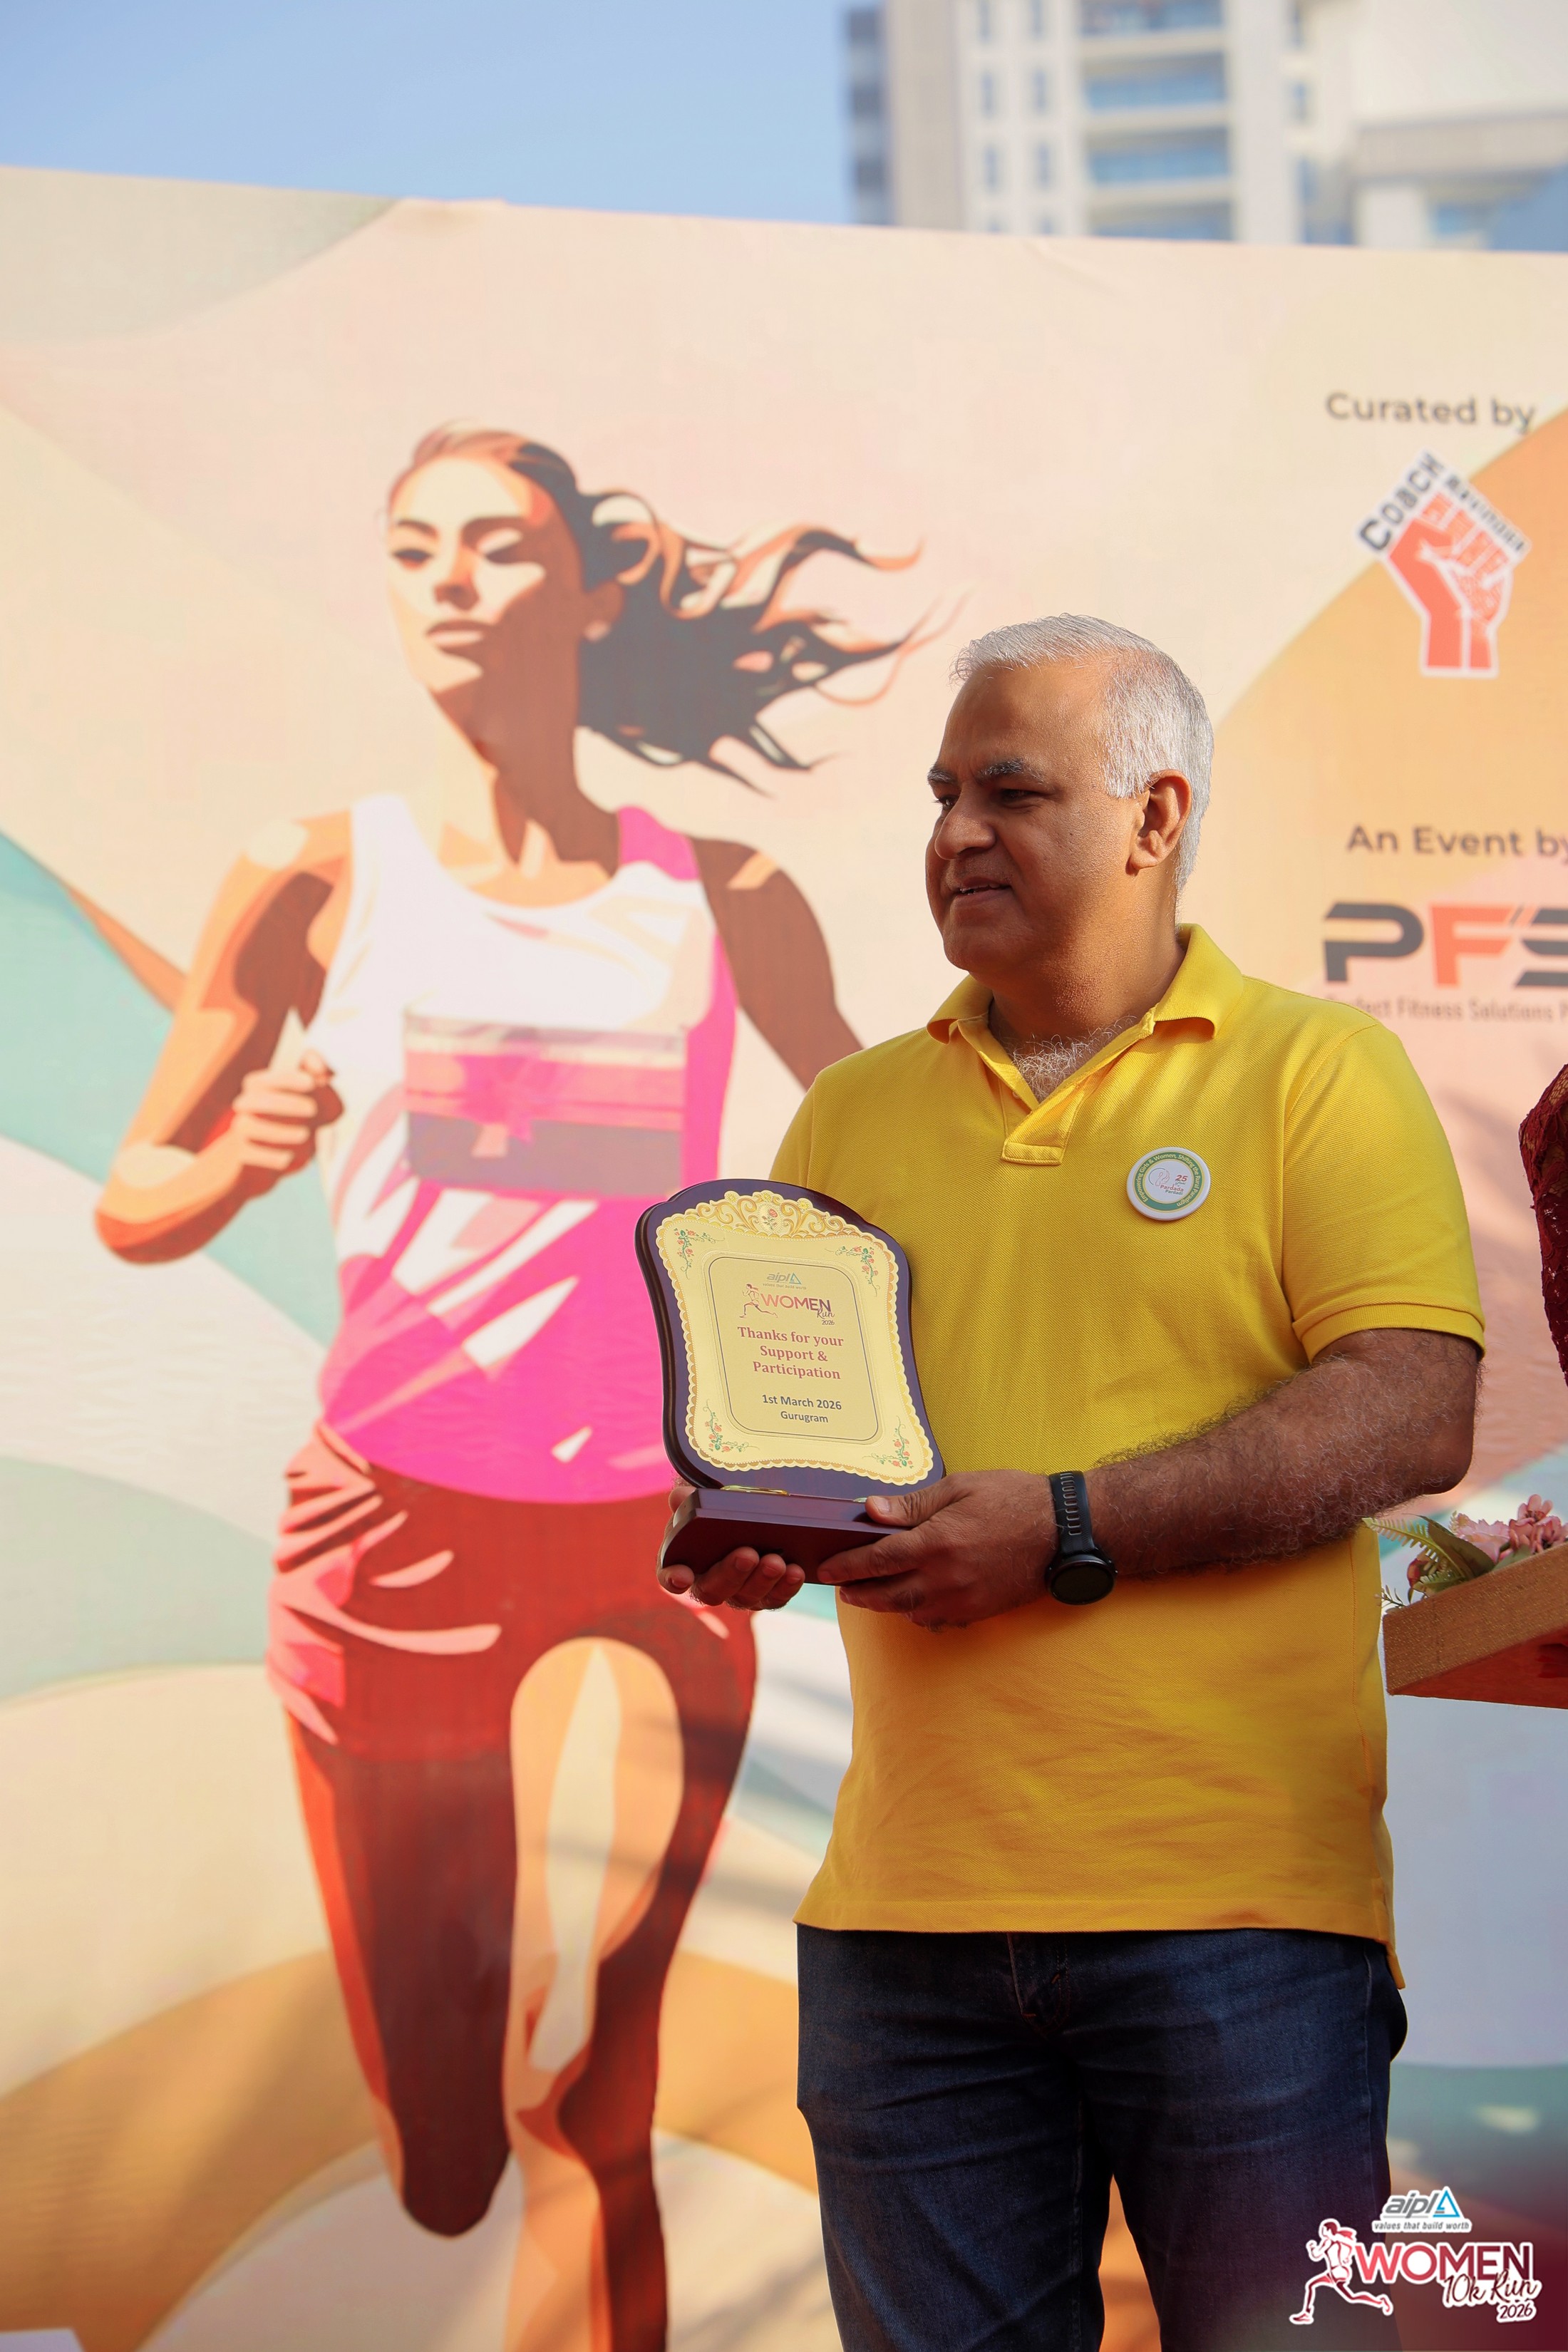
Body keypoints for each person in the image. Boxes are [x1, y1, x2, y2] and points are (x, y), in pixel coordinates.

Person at [96, 424, 906, 2352]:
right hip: (394, 1529)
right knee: (448, 2134)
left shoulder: (725, 890)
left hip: (660, 1542)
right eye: (414, 549)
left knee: (595, 2079)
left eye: (499, 544)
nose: (451, 581)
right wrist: (237, 1164)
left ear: (593, 588)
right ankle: (450, 2129)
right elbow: (136, 1197)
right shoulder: (313, 875)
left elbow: (890, 1141)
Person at [659, 614, 1484, 2352]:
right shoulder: (849, 1114)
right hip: (900, 1928)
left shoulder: (1313, 1071)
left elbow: (1410, 1411)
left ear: (1152, 815)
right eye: (940, 794)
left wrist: (1067, 1527)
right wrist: (763, 1526)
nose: (955, 832)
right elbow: (824, 1449)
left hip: (1237, 1922)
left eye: (1010, 792)